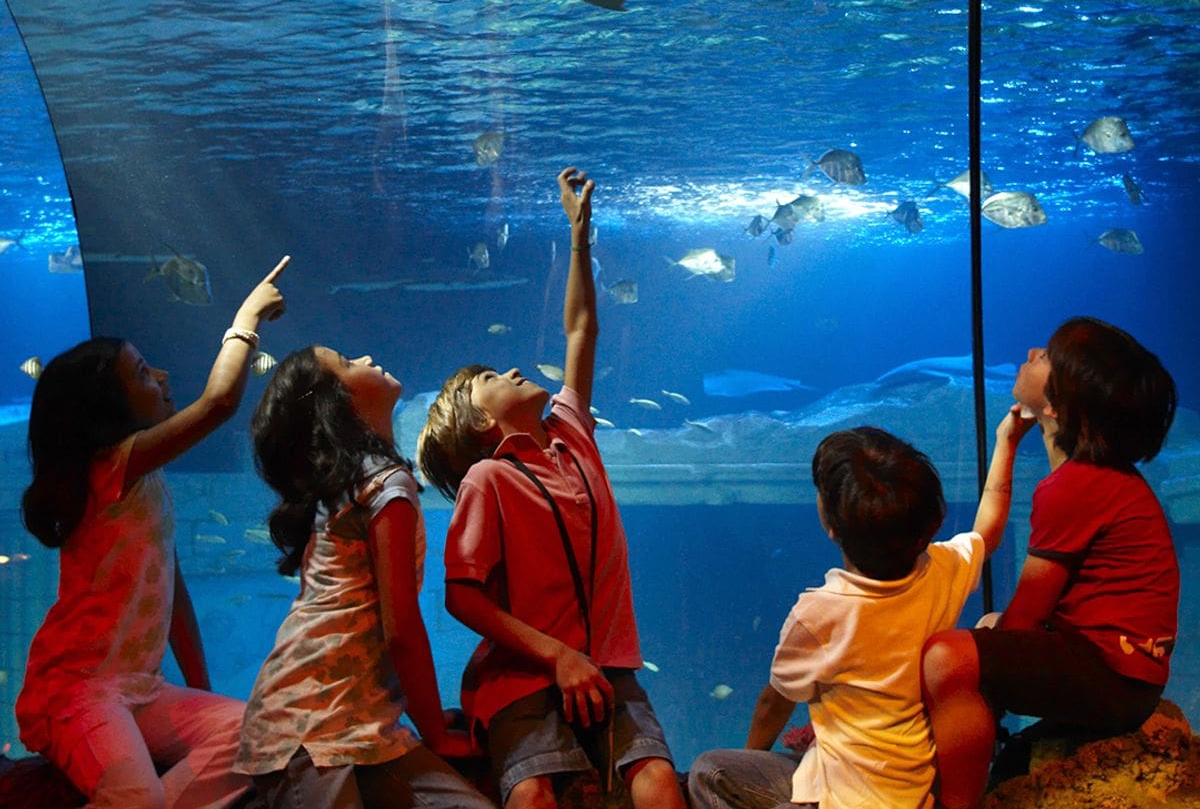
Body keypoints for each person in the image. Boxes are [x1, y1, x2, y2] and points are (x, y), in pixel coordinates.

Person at [416, 166, 685, 809]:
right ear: (481, 422)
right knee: (533, 793)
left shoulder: (572, 434)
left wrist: (579, 235)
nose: (511, 369)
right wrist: (558, 657)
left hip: (612, 668)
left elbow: (580, 331)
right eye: (492, 378)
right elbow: (462, 596)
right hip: (524, 677)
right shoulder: (489, 477)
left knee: (659, 784)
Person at [16, 255, 290, 809]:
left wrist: (200, 683)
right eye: (142, 372)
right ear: (106, 409)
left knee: (261, 738)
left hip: (141, 689)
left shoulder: (145, 480)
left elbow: (170, 585)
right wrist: (245, 322)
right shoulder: (109, 468)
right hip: (78, 690)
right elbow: (217, 405)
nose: (161, 375)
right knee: (137, 797)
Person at [689, 417, 1029, 809]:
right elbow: (989, 531)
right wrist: (1007, 440)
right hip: (914, 792)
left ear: (830, 526)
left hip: (842, 798)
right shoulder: (943, 571)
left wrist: (754, 757)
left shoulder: (819, 614)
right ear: (927, 522)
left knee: (709, 771)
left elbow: (773, 704)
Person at [922, 317, 1179, 809]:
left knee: (947, 656)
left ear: (1058, 406)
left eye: (1046, 358)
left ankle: (957, 801)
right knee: (986, 631)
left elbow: (1027, 618)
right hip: (1124, 670)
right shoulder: (1099, 478)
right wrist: (1007, 441)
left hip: (1113, 679)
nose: (1034, 350)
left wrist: (974, 660)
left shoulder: (1076, 487)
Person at [235, 343, 496, 809]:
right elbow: (402, 631)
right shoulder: (382, 485)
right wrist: (435, 732)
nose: (366, 359)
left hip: (361, 727)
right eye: (348, 363)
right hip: (310, 729)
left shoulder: (362, 482)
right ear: (338, 402)